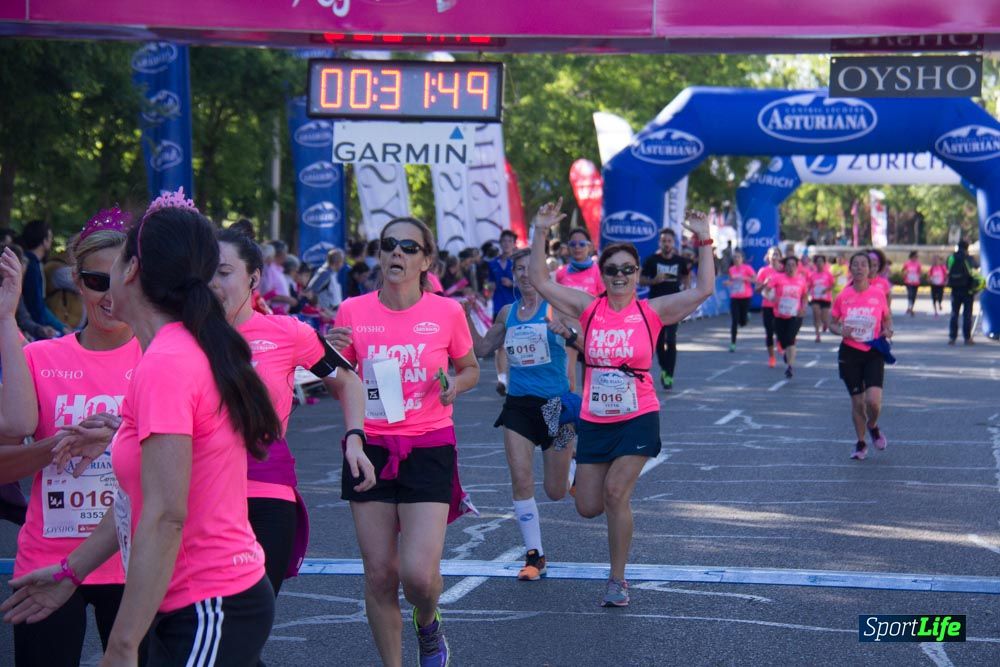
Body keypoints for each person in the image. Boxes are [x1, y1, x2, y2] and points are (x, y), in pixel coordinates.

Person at [3, 190, 283, 665]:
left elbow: (165, 514)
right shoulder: (169, 353)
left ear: (131, 271)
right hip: (200, 600)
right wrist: (70, 574)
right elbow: (139, 501)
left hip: (209, 599)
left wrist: (123, 643)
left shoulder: (167, 363)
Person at [528, 199, 715, 607]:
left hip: (638, 415)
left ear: (637, 275)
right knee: (587, 506)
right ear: (603, 274)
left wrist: (703, 239)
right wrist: (540, 230)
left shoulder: (652, 312)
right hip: (596, 420)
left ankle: (617, 579)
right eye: (611, 270)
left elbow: (704, 288)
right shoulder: (588, 309)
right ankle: (577, 459)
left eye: (627, 270)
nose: (619, 276)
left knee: (616, 493)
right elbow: (540, 280)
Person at [330, 216, 479, 667]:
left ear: (425, 261)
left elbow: (470, 368)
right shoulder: (352, 311)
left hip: (428, 445)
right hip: (368, 446)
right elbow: (341, 378)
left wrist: (455, 385)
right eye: (388, 245)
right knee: (379, 574)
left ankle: (428, 621)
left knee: (416, 577)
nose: (397, 252)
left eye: (408, 248)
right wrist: (329, 357)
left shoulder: (447, 312)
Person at [6, 208, 142, 667]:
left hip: (135, 559)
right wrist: (58, 445)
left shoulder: (163, 357)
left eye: (118, 279)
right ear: (77, 282)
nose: (108, 295)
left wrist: (119, 436)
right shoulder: (40, 357)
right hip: (49, 554)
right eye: (94, 281)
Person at [212, 225, 369, 598]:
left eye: (223, 271)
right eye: (204, 272)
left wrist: (355, 439)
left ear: (253, 277)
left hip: (267, 487)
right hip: (203, 491)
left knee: (252, 613)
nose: (212, 283)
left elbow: (348, 381)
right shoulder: (182, 337)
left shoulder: (288, 332)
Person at [466, 248, 577, 582]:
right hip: (518, 405)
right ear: (513, 275)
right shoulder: (507, 312)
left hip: (557, 407)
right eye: (519, 269)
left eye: (532, 269)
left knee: (556, 491)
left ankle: (572, 471)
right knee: (521, 479)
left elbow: (586, 343)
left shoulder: (558, 307)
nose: (526, 275)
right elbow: (483, 350)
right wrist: (465, 317)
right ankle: (535, 555)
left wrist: (567, 333)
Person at [830, 252, 893, 461]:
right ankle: (861, 443)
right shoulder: (843, 296)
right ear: (851, 269)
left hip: (873, 351)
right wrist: (840, 331)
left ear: (870, 269)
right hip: (849, 353)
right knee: (857, 403)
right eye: (855, 265)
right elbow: (831, 322)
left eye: (863, 265)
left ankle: (873, 426)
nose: (859, 268)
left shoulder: (878, 294)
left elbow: (887, 318)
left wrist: (887, 330)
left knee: (873, 401)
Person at [640, 228, 691, 390]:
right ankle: (664, 367)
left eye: (669, 241)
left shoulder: (679, 260)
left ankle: (669, 374)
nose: (666, 244)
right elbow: (640, 279)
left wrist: (686, 288)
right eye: (663, 241)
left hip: (674, 305)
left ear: (673, 243)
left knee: (671, 340)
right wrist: (654, 281)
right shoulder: (652, 260)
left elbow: (686, 274)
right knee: (659, 342)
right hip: (656, 306)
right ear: (659, 242)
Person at [18, 220, 67, 335]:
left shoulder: (30, 262)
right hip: (31, 329)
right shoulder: (32, 266)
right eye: (50, 237)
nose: (51, 241)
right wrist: (56, 328)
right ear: (44, 241)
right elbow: (35, 305)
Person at [488, 230, 518, 396]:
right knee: (499, 346)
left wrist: (512, 283)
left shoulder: (520, 261)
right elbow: (490, 283)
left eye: (509, 240)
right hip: (499, 308)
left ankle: (517, 379)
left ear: (514, 243)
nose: (506, 243)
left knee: (517, 345)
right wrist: (489, 286)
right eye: (504, 241)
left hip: (517, 308)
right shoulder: (493, 263)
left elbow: (531, 282)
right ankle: (502, 380)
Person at [771, 256, 808, 379]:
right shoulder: (778, 278)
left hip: (795, 315)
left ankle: (790, 366)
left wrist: (803, 308)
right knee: (783, 340)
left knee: (790, 339)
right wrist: (771, 298)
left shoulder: (801, 280)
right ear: (784, 267)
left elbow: (804, 296)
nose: (790, 268)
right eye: (788, 265)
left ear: (797, 267)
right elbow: (766, 291)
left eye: (793, 265)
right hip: (779, 315)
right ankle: (787, 353)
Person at [755, 247, 784, 368]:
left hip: (782, 306)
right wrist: (764, 284)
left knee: (781, 330)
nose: (775, 257)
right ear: (768, 257)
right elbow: (757, 290)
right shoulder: (763, 271)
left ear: (780, 257)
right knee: (769, 332)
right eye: (772, 255)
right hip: (767, 306)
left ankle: (780, 342)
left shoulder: (783, 270)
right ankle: (771, 357)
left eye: (777, 254)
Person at [554, 227, 602, 297]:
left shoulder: (599, 272)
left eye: (582, 244)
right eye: (573, 244)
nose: (577, 247)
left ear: (589, 247)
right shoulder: (560, 272)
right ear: (568, 248)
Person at [724, 249, 755, 352]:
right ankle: (733, 343)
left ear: (742, 259)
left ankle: (746, 316)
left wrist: (746, 279)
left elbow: (755, 279)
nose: (736, 259)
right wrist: (728, 283)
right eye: (735, 257)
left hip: (746, 297)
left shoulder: (747, 268)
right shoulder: (731, 269)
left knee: (742, 322)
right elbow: (731, 281)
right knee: (734, 321)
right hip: (735, 297)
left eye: (738, 257)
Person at [946, 240, 976, 345]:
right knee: (967, 315)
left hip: (955, 289)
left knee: (954, 313)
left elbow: (948, 269)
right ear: (967, 248)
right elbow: (974, 271)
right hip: (968, 290)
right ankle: (967, 338)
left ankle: (952, 337)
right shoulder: (969, 258)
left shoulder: (951, 258)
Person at [808, 255, 834, 343]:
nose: (819, 263)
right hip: (815, 297)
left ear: (824, 263)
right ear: (815, 263)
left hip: (825, 298)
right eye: (817, 262)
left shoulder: (828, 274)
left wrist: (826, 290)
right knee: (816, 314)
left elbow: (832, 285)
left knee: (824, 318)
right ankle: (817, 335)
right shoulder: (812, 274)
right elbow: (808, 286)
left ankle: (825, 324)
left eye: (821, 261)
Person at [902, 251, 922, 317]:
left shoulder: (918, 264)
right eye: (915, 256)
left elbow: (919, 272)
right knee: (910, 294)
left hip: (915, 282)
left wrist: (918, 277)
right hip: (909, 282)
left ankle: (911, 308)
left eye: (917, 257)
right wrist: (905, 275)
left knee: (914, 295)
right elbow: (903, 271)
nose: (916, 258)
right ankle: (909, 307)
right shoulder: (907, 263)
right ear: (912, 256)